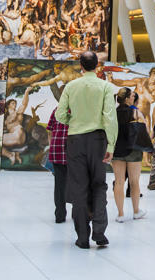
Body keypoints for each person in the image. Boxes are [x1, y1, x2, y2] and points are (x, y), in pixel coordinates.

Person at [56, 51, 118, 249]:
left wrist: (72, 121)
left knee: (79, 187)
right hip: (98, 140)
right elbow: (109, 117)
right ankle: (99, 232)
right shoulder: (106, 87)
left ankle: (82, 236)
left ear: (80, 66)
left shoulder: (71, 87)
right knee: (99, 185)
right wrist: (111, 145)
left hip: (75, 140)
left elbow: (59, 115)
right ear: (97, 65)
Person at [113, 88, 147, 222]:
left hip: (117, 150)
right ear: (127, 98)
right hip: (133, 150)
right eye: (132, 96)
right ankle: (136, 211)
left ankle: (120, 214)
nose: (134, 97)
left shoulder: (113, 114)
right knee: (134, 182)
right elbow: (145, 132)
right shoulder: (136, 113)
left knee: (119, 182)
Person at [46, 107, 69, 224]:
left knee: (59, 184)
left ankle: (60, 214)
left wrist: (52, 145)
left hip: (57, 150)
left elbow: (49, 130)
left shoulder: (56, 110)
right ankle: (78, 212)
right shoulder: (79, 109)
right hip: (74, 153)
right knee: (77, 184)